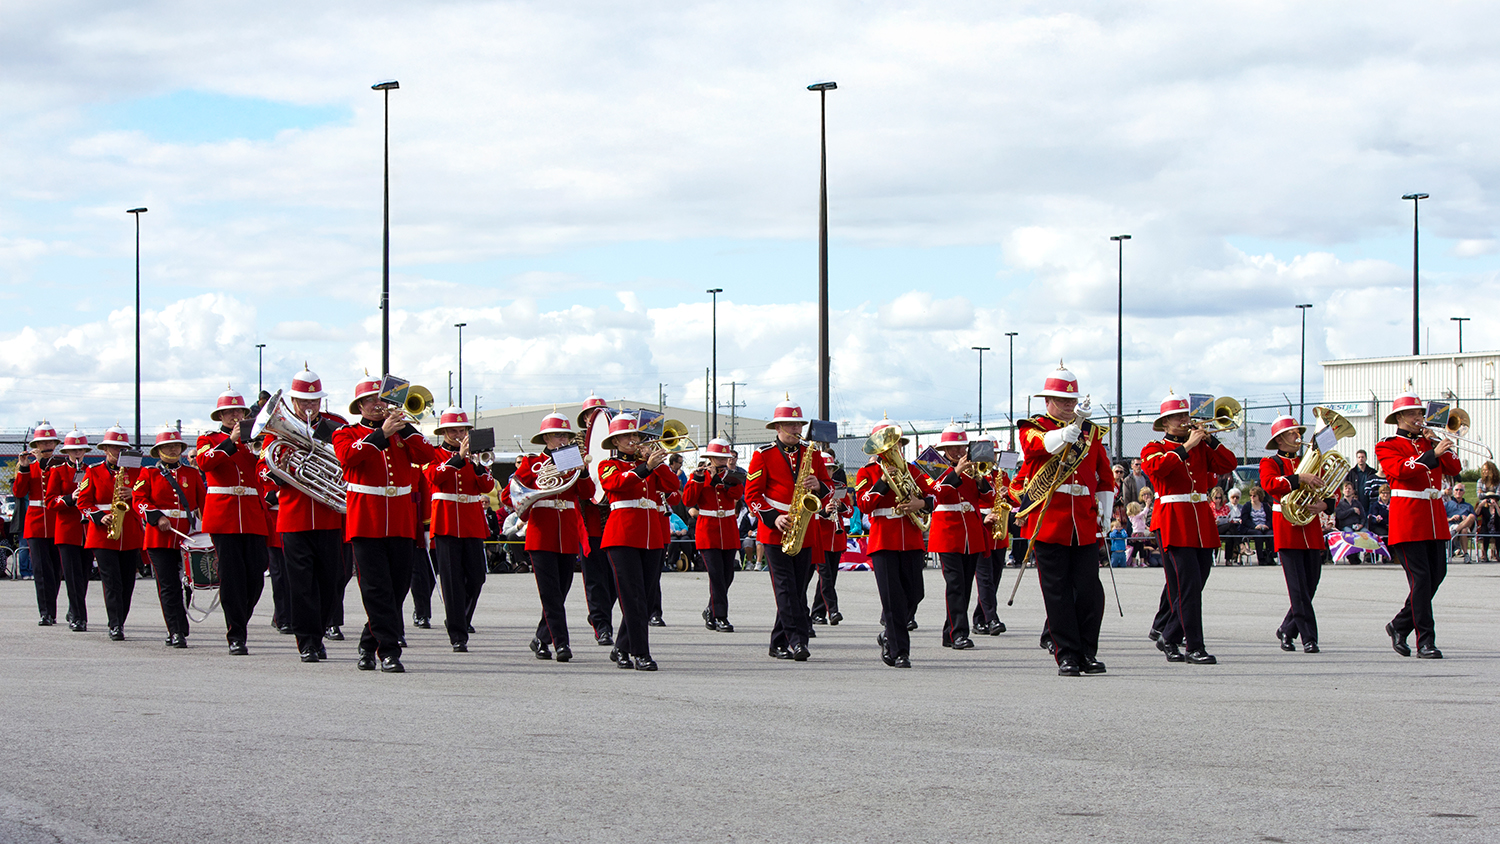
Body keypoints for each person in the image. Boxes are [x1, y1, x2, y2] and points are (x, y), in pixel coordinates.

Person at [334, 375, 440, 673]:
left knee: (398, 587)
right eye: (370, 401)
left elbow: (428, 455)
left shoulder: (403, 433)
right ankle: (389, 651)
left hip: (400, 519)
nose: (377, 405)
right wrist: (381, 434)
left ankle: (368, 644)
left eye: (381, 399)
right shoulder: (346, 432)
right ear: (360, 406)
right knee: (376, 588)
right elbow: (348, 457)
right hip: (366, 519)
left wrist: (405, 428)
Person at [1014, 366, 1113, 676]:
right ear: (1048, 401)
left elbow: (1105, 476)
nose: (1069, 404)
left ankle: (1087, 651)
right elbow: (1035, 447)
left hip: (1083, 520)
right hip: (1050, 519)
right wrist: (1060, 436)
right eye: (1062, 399)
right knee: (1057, 593)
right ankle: (1067, 654)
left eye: (1072, 399)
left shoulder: (1091, 432)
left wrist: (1106, 512)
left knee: (1090, 592)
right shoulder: (1033, 426)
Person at [1141, 392, 1238, 665]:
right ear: (1165, 422)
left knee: (1196, 583)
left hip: (1200, 521)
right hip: (1173, 519)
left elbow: (1229, 464)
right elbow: (1156, 469)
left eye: (1186, 415)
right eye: (1177, 417)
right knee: (1188, 586)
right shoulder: (1155, 447)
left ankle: (1170, 636)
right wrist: (1186, 447)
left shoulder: (1201, 447)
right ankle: (1194, 646)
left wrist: (1211, 440)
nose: (1184, 420)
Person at [260, 368, 347, 663]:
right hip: (294, 518)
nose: (310, 406)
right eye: (304, 401)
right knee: (300, 584)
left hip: (328, 516)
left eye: (314, 401)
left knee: (331, 582)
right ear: (293, 401)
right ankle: (307, 641)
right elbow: (263, 469)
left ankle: (318, 632)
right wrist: (281, 472)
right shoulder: (277, 432)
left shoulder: (335, 427)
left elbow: (345, 463)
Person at [746, 399, 833, 663]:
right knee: (785, 588)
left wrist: (819, 485)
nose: (796, 429)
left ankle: (778, 642)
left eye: (798, 424)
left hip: (805, 528)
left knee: (797, 589)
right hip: (775, 529)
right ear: (778, 427)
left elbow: (829, 487)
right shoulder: (763, 454)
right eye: (790, 424)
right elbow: (752, 495)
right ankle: (798, 640)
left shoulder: (812, 453)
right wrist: (773, 518)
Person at [1376, 392, 1462, 659]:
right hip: (1409, 520)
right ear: (1400, 417)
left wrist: (1441, 444)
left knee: (1436, 576)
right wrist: (1432, 452)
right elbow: (1401, 470)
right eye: (1413, 413)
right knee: (1422, 579)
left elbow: (1454, 467)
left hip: (1434, 519)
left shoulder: (1429, 441)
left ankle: (1399, 625)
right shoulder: (1387, 445)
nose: (1419, 417)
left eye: (1421, 413)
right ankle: (1425, 641)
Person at [597, 412, 679, 670]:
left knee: (646, 596)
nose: (633, 439)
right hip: (622, 535)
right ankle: (640, 653)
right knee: (633, 598)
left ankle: (621, 647)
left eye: (636, 435)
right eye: (627, 436)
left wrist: (657, 463)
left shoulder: (650, 465)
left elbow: (672, 485)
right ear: (615, 441)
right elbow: (616, 484)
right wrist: (646, 468)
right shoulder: (608, 464)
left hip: (651, 536)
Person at [196, 387, 272, 656]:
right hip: (224, 516)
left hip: (252, 514)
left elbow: (265, 470)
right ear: (221, 416)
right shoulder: (209, 438)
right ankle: (236, 633)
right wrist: (231, 441)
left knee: (256, 577)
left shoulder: (256, 440)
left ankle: (240, 619)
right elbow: (204, 462)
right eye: (229, 412)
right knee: (231, 578)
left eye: (239, 411)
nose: (235, 416)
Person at [855, 420, 933, 667]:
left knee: (915, 593)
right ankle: (900, 652)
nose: (893, 448)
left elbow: (933, 495)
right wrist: (882, 482)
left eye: (896, 443)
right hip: (884, 539)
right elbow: (863, 504)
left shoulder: (913, 470)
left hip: (911, 538)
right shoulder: (867, 472)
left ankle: (889, 634)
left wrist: (921, 504)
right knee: (892, 600)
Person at [1259, 416, 1334, 653]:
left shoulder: (1308, 461)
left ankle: (1287, 629)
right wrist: (1299, 478)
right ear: (1280, 439)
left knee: (1310, 585)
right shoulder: (1270, 462)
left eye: (1298, 432)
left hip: (1310, 528)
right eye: (1292, 433)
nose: (1298, 436)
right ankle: (1309, 638)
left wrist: (1326, 504)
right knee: (1298, 589)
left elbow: (1330, 488)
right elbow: (1270, 484)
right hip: (1287, 528)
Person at [429, 408, 499, 655]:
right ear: (444, 433)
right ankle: (458, 634)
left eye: (463, 430)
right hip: (446, 521)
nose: (459, 435)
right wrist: (458, 458)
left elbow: (487, 486)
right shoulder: (435, 454)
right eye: (454, 431)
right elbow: (434, 477)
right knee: (451, 581)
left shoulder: (476, 457)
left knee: (477, 577)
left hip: (471, 521)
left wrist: (478, 465)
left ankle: (458, 617)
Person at [132, 425, 205, 649]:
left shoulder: (192, 474)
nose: (172, 449)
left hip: (186, 536)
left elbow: (203, 504)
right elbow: (138, 499)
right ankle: (175, 630)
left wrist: (207, 532)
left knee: (186, 584)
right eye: (167, 446)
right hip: (160, 537)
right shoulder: (149, 473)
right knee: (168, 585)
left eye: (176, 446)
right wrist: (156, 517)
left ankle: (179, 625)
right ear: (159, 450)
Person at [926, 424, 993, 651]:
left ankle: (950, 632)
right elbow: (937, 493)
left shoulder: (973, 468)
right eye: (953, 447)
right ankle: (959, 633)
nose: (958, 451)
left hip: (971, 533)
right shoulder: (934, 466)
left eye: (962, 447)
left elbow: (989, 499)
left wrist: (980, 480)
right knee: (955, 585)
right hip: (947, 533)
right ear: (945, 449)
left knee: (965, 586)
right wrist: (956, 472)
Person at [75, 425, 145, 641]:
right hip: (103, 533)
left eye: (122, 448)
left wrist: (133, 494)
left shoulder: (137, 472)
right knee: (112, 581)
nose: (118, 452)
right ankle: (115, 624)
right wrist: (98, 516)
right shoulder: (93, 471)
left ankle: (120, 620)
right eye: (114, 447)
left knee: (127, 582)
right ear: (105, 449)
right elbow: (83, 502)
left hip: (129, 532)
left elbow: (147, 497)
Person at [682, 437, 745, 632]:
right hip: (708, 529)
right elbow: (688, 500)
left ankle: (711, 609)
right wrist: (699, 480)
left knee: (727, 576)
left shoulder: (732, 475)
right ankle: (720, 616)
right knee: (716, 575)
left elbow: (737, 495)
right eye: (718, 457)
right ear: (710, 457)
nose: (722, 460)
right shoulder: (699, 475)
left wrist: (725, 482)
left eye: (725, 457)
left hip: (728, 528)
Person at [576, 397, 618, 645]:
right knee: (594, 579)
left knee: (614, 580)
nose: (594, 417)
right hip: (590, 518)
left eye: (599, 413)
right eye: (590, 413)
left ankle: (598, 615)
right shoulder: (573, 443)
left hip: (614, 519)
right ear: (584, 418)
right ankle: (602, 625)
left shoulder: (617, 441)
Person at [14, 423, 62, 626]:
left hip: (57, 521)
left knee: (56, 570)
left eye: (50, 442)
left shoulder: (59, 466)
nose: (46, 446)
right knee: (41, 570)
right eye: (42, 443)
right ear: (36, 445)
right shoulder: (29, 467)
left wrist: (45, 463)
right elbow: (19, 492)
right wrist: (24, 467)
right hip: (35, 523)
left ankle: (52, 608)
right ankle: (46, 612)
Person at [46, 430, 94, 632]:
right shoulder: (58, 471)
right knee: (72, 576)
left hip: (88, 530)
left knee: (84, 575)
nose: (77, 453)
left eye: (80, 450)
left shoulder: (92, 470)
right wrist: (70, 498)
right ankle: (79, 617)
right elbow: (50, 501)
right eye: (73, 450)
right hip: (67, 530)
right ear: (67, 452)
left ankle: (74, 609)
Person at [973, 433, 1011, 635]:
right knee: (985, 578)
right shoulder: (974, 474)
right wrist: (982, 517)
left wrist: (1008, 493)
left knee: (994, 578)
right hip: (982, 530)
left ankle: (980, 618)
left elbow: (1013, 500)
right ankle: (992, 618)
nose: (992, 457)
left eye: (994, 453)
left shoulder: (1001, 474)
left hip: (999, 533)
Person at [809, 444, 847, 627]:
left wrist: (841, 506)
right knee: (826, 577)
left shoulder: (840, 487)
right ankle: (833, 610)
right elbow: (809, 512)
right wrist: (824, 512)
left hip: (836, 539)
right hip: (820, 538)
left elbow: (850, 511)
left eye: (831, 469)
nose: (829, 472)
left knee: (830, 577)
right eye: (826, 469)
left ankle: (817, 613)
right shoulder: (813, 489)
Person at [1241, 487, 1275, 565]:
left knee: (1271, 534)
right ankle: (1261, 558)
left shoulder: (1265, 506)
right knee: (1258, 534)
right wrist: (1254, 526)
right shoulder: (1247, 506)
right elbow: (1245, 520)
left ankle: (1270, 556)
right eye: (1251, 495)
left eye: (1254, 496)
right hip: (1252, 528)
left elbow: (1270, 518)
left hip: (1264, 527)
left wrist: (1267, 525)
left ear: (1259, 496)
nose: (1252, 497)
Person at [1445, 484, 1476, 561]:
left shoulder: (1468, 506)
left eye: (1461, 490)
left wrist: (1464, 518)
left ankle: (1455, 531)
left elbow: (1474, 519)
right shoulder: (1447, 504)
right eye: (1457, 490)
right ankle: (1466, 554)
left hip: (1465, 527)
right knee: (1463, 530)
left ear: (1463, 492)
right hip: (1452, 525)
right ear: (1453, 492)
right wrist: (1451, 518)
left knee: (1471, 516)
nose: (1458, 491)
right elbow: (1441, 518)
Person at [1347, 449, 1381, 514]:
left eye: (1362, 457)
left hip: (1369, 502)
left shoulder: (1372, 472)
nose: (1361, 459)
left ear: (1366, 458)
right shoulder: (1351, 473)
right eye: (1359, 457)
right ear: (1356, 459)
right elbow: (1346, 485)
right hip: (1356, 502)